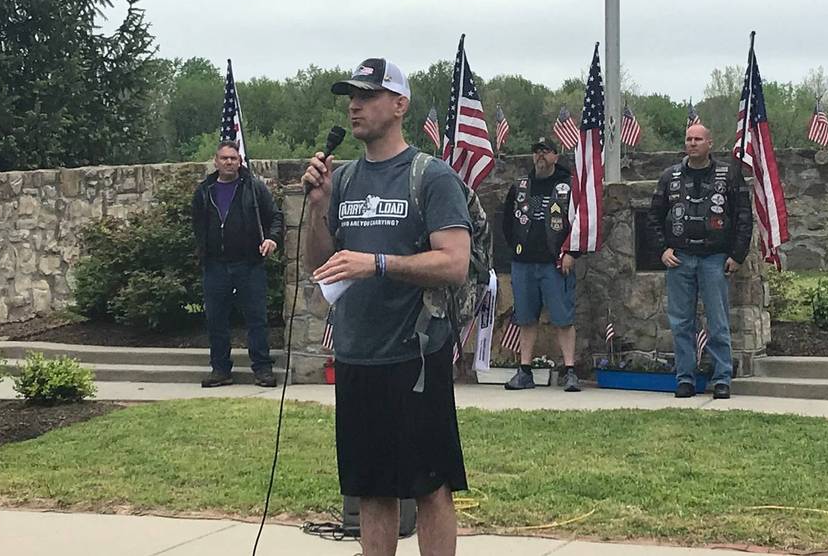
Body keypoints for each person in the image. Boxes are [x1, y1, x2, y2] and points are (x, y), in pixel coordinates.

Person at [302, 57, 471, 556]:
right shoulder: (347, 179)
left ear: (399, 105)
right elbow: (323, 265)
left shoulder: (430, 176)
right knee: (372, 487)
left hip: (415, 356)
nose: (355, 106)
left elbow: (454, 263)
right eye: (351, 96)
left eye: (368, 96)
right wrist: (317, 210)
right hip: (357, 355)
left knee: (429, 484)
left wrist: (378, 263)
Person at [646, 123, 752, 400]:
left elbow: (743, 216)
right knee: (681, 323)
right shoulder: (670, 177)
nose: (692, 144)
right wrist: (662, 249)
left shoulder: (729, 175)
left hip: (715, 259)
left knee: (717, 321)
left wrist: (737, 255)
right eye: (689, 139)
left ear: (709, 143)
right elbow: (654, 217)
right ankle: (685, 379)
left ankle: (721, 379)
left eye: (698, 139)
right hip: (680, 258)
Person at [190, 141, 283, 388]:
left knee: (256, 319)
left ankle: (262, 369)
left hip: (249, 263)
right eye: (224, 158)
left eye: (233, 158)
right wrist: (202, 252)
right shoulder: (204, 191)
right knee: (216, 319)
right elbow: (198, 224)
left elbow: (275, 216)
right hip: (215, 265)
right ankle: (220, 370)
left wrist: (272, 239)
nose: (229, 162)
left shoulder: (253, 188)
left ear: (240, 161)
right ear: (215, 161)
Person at [500, 136, 582, 392]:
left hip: (555, 263)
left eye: (546, 152)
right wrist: (515, 248)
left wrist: (572, 252)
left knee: (563, 318)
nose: (540, 156)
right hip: (524, 262)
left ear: (556, 156)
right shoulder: (521, 186)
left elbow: (580, 223)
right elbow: (506, 222)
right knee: (525, 318)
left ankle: (569, 371)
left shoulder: (568, 186)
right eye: (537, 152)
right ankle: (524, 371)